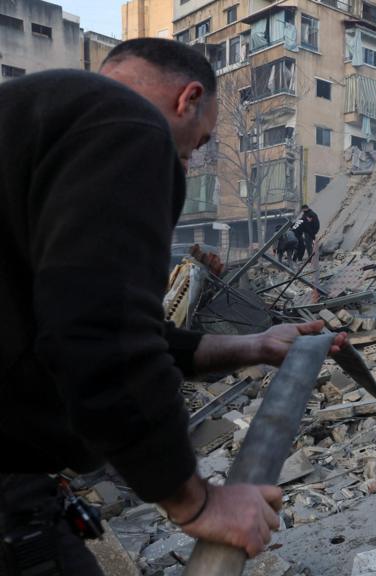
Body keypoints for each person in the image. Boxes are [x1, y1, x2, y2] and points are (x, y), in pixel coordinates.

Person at [0, 38, 348, 573]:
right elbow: (101, 338)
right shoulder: (127, 124)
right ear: (188, 99)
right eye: (196, 145)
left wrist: (252, 345)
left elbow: (78, 317)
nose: (185, 160)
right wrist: (198, 502)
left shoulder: (34, 119)